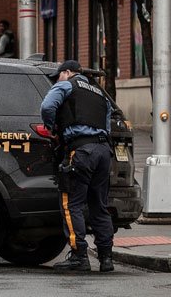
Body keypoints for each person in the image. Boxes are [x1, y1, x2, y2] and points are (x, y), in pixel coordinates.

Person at [40, 60, 114, 272]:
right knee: (99, 205)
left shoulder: (67, 84)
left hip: (81, 151)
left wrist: (52, 126)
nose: (58, 79)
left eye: (59, 75)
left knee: (72, 204)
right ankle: (106, 258)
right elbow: (107, 124)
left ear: (68, 72)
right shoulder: (100, 93)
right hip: (103, 153)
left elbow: (47, 106)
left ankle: (79, 255)